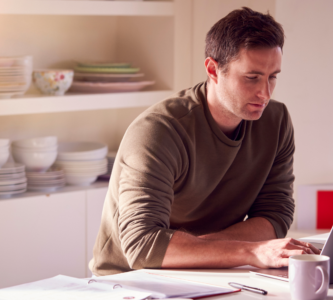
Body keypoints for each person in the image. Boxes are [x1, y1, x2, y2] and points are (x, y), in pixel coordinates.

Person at [90, 7, 319, 276]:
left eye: (273, 77)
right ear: (213, 69)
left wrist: (199, 250)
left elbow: (275, 216)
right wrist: (250, 251)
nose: (265, 93)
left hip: (216, 272)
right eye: (252, 78)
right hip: (132, 280)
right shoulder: (158, 132)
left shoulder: (276, 121)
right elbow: (143, 247)